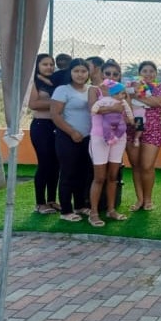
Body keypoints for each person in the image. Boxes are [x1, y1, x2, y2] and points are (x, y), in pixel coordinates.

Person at [87, 77, 133, 226]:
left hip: (119, 138)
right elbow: (93, 110)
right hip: (100, 138)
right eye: (108, 73)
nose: (111, 76)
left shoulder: (121, 94)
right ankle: (93, 213)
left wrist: (125, 117)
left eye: (115, 73)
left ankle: (111, 210)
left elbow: (128, 115)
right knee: (99, 177)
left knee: (113, 176)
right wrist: (113, 109)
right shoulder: (94, 90)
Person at [50, 58, 92, 222]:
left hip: (87, 138)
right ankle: (66, 210)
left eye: (83, 71)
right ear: (70, 72)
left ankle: (80, 205)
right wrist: (72, 132)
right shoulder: (63, 90)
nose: (80, 75)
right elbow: (55, 115)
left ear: (88, 73)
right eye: (76, 71)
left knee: (84, 173)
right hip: (67, 138)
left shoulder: (91, 90)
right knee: (68, 173)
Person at [125, 61, 161, 212]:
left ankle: (148, 199)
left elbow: (158, 102)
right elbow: (126, 100)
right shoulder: (132, 84)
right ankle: (140, 199)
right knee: (136, 165)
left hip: (153, 129)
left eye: (151, 71)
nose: (148, 74)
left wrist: (136, 95)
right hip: (134, 126)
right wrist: (142, 98)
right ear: (140, 73)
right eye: (145, 71)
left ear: (156, 73)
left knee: (147, 166)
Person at [28, 53, 60, 214]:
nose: (49, 67)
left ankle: (52, 200)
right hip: (41, 126)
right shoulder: (33, 82)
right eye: (45, 64)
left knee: (56, 165)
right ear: (37, 66)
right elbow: (34, 104)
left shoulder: (56, 81)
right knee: (45, 164)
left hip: (57, 126)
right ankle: (40, 203)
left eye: (51, 64)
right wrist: (57, 103)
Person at [90, 81, 134, 146]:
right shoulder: (106, 99)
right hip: (107, 120)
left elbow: (128, 110)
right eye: (117, 94)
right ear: (112, 94)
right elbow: (97, 104)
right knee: (105, 127)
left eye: (123, 94)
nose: (120, 96)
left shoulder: (123, 101)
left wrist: (131, 119)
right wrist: (94, 111)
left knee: (123, 128)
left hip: (119, 120)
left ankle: (116, 138)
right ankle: (107, 139)